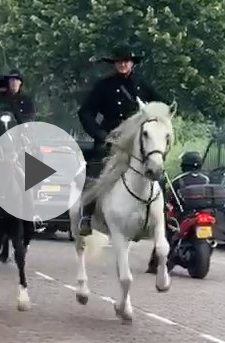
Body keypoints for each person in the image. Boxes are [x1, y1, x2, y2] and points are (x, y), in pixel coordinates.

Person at [78, 45, 163, 236]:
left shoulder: (142, 86)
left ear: (132, 63)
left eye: (127, 61)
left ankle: (163, 212)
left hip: (138, 138)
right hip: (112, 137)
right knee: (95, 168)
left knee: (156, 165)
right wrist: (100, 134)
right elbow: (85, 112)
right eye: (120, 61)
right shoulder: (104, 86)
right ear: (115, 64)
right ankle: (87, 215)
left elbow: (161, 106)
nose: (123, 64)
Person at [146, 150, 209, 273]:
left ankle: (156, 262)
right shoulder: (206, 179)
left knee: (165, 232)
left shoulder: (179, 180)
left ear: (185, 164)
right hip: (204, 212)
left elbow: (169, 197)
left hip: (184, 214)